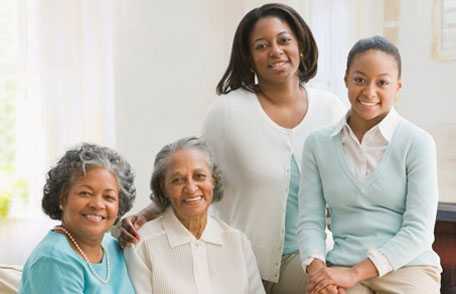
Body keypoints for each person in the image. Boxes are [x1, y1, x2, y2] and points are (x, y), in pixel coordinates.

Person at [119, 3, 345, 293]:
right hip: (245, 259)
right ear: (249, 58)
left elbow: (350, 184)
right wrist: (148, 213)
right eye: (261, 46)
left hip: (313, 255)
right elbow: (197, 173)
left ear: (301, 44)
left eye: (284, 40)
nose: (275, 51)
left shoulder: (331, 109)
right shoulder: (228, 112)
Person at [298, 36, 442, 294]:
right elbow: (310, 220)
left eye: (382, 82)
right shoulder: (317, 145)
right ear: (346, 80)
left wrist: (356, 273)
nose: (369, 92)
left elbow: (419, 231)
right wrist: (319, 275)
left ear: (397, 87)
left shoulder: (418, 143)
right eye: (360, 80)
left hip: (408, 269)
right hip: (342, 266)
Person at [123, 137, 265, 293]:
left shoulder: (238, 242)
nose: (191, 188)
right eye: (178, 180)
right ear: (163, 188)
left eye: (199, 176)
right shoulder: (141, 244)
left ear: (214, 181)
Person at [19, 143, 136, 294]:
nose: (97, 204)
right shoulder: (54, 260)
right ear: (62, 198)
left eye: (108, 197)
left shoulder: (112, 246)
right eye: (85, 193)